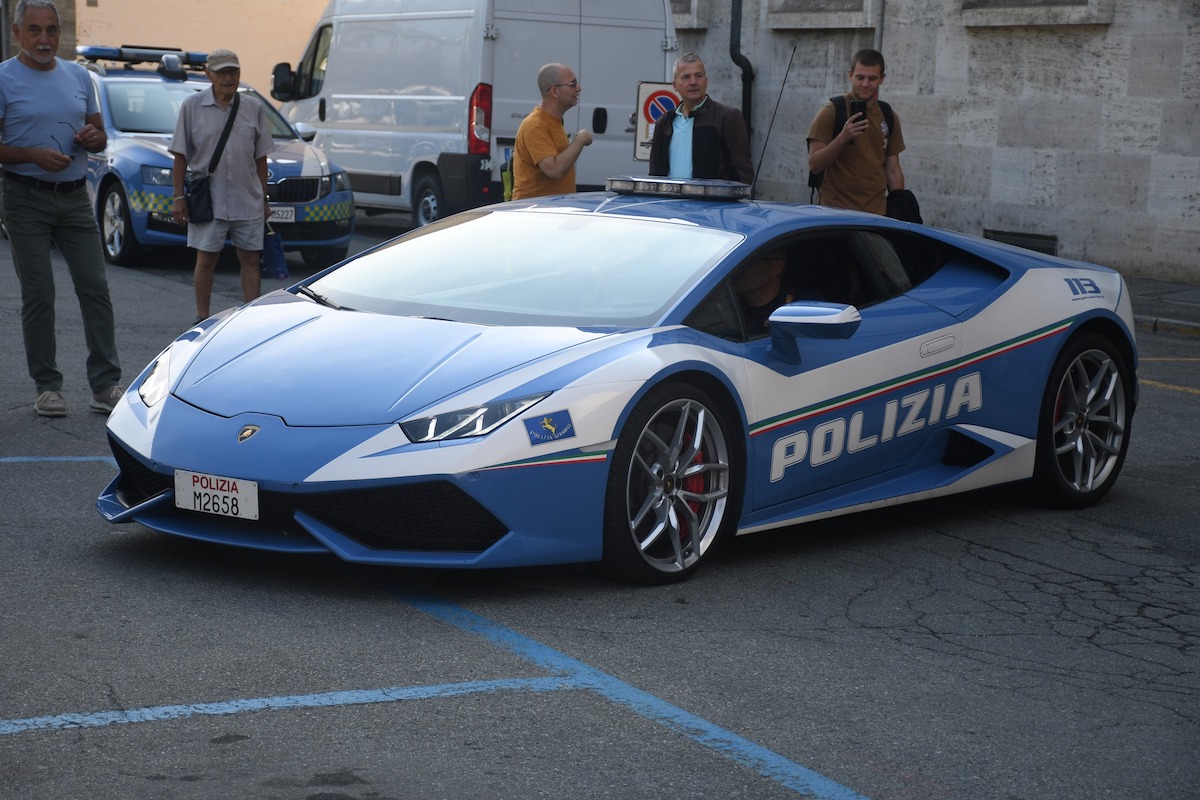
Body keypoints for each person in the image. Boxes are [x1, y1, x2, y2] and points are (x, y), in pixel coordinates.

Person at [0, 0, 123, 417]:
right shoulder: (3, 78)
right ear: (18, 33)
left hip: (73, 197)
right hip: (24, 197)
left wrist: (93, 137)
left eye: (51, 30)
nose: (44, 39)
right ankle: (47, 386)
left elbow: (101, 135)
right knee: (39, 293)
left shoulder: (78, 75)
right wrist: (30, 154)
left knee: (95, 287)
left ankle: (104, 384)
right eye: (34, 30)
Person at [170, 48, 272, 322]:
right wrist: (178, 197)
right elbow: (180, 156)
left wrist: (264, 199)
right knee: (206, 260)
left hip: (247, 197)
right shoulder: (192, 107)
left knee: (251, 259)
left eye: (234, 71)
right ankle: (202, 317)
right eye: (223, 72)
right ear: (208, 75)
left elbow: (261, 158)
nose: (229, 78)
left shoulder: (254, 108)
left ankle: (250, 317)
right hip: (208, 199)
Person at [806, 49, 906, 216]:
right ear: (850, 75)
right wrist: (843, 138)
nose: (866, 84)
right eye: (860, 77)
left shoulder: (888, 115)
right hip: (835, 212)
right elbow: (815, 164)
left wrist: (900, 205)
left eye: (872, 78)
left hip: (876, 213)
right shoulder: (831, 112)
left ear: (882, 79)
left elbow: (893, 169)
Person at [648, 53, 753, 185]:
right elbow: (654, 174)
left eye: (698, 76)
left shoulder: (728, 118)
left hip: (711, 204)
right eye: (686, 77)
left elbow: (743, 175)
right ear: (675, 85)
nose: (693, 82)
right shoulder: (665, 122)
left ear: (706, 81)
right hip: (670, 203)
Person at [511, 63, 593, 200]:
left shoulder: (553, 121)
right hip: (534, 214)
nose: (578, 89)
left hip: (550, 212)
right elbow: (554, 170)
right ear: (555, 91)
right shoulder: (535, 125)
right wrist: (580, 139)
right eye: (572, 84)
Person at [733, 249, 793, 333]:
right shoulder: (726, 302)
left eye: (746, 264)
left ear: (776, 267)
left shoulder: (799, 308)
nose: (736, 270)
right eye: (734, 264)